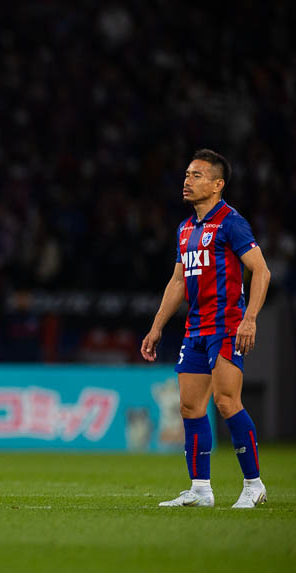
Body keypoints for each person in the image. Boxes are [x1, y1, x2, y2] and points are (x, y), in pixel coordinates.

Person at [141, 149, 271, 508]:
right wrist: (156, 327)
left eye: (196, 175)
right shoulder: (185, 229)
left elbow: (261, 271)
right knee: (189, 406)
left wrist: (250, 318)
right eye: (187, 174)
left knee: (226, 402)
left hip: (227, 325)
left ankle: (254, 485)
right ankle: (200, 489)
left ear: (217, 185)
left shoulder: (231, 222)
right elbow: (178, 281)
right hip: (195, 328)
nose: (187, 180)